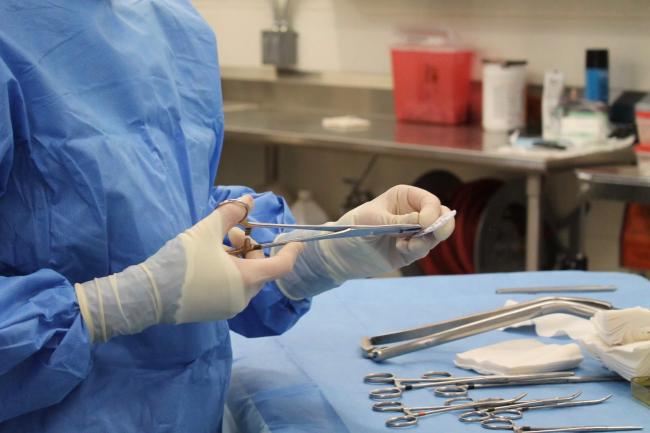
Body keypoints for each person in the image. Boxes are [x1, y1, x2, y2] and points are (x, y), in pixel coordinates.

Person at [0, 1, 454, 432]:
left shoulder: (170, 21)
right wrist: (109, 307)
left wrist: (319, 256)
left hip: (189, 411)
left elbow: (163, 212)